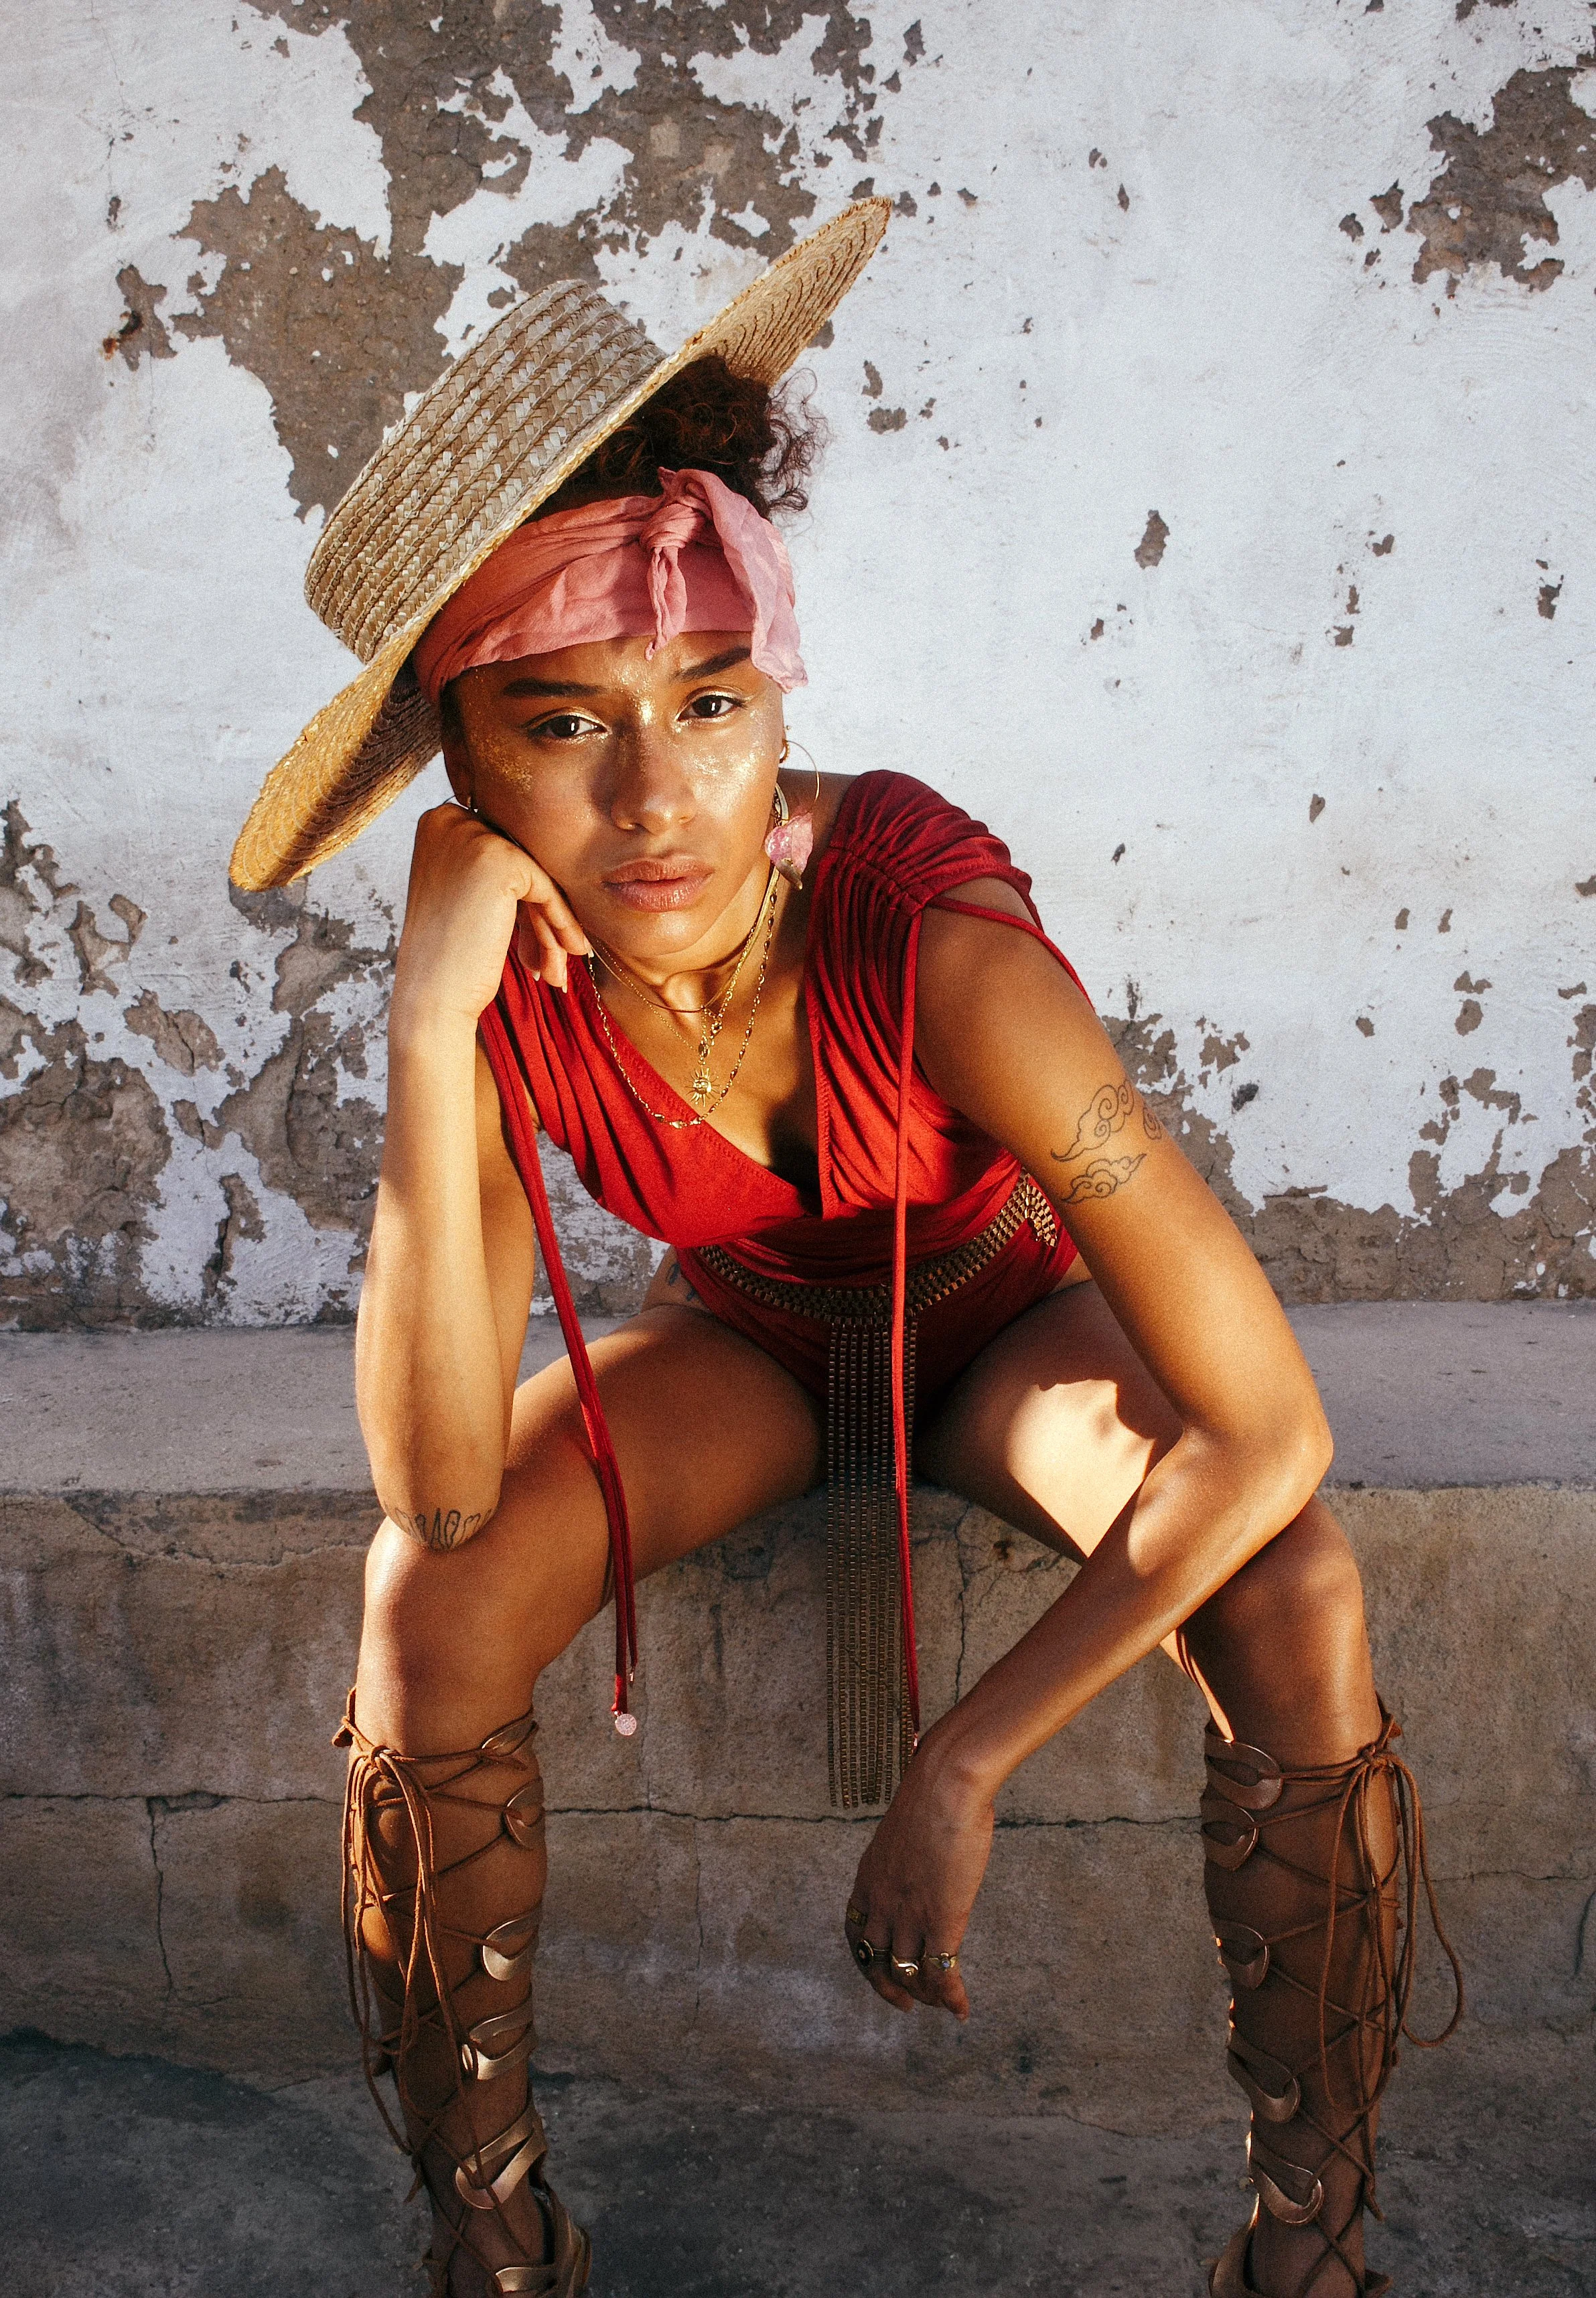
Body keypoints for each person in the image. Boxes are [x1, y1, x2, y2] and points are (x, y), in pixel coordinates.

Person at [232, 204, 1459, 2298]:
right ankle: (491, 2228)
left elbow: (1270, 1429)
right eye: (561, 724)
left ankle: (1310, 2239)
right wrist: (429, 1030)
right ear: (460, 765)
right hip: (742, 1343)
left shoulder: (929, 936)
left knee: (1295, 1577)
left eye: (710, 699)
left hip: (999, 1323)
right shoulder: (497, 971)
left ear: (773, 690)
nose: (660, 799)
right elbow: (435, 1487)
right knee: (421, 1595)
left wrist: (961, 1759)